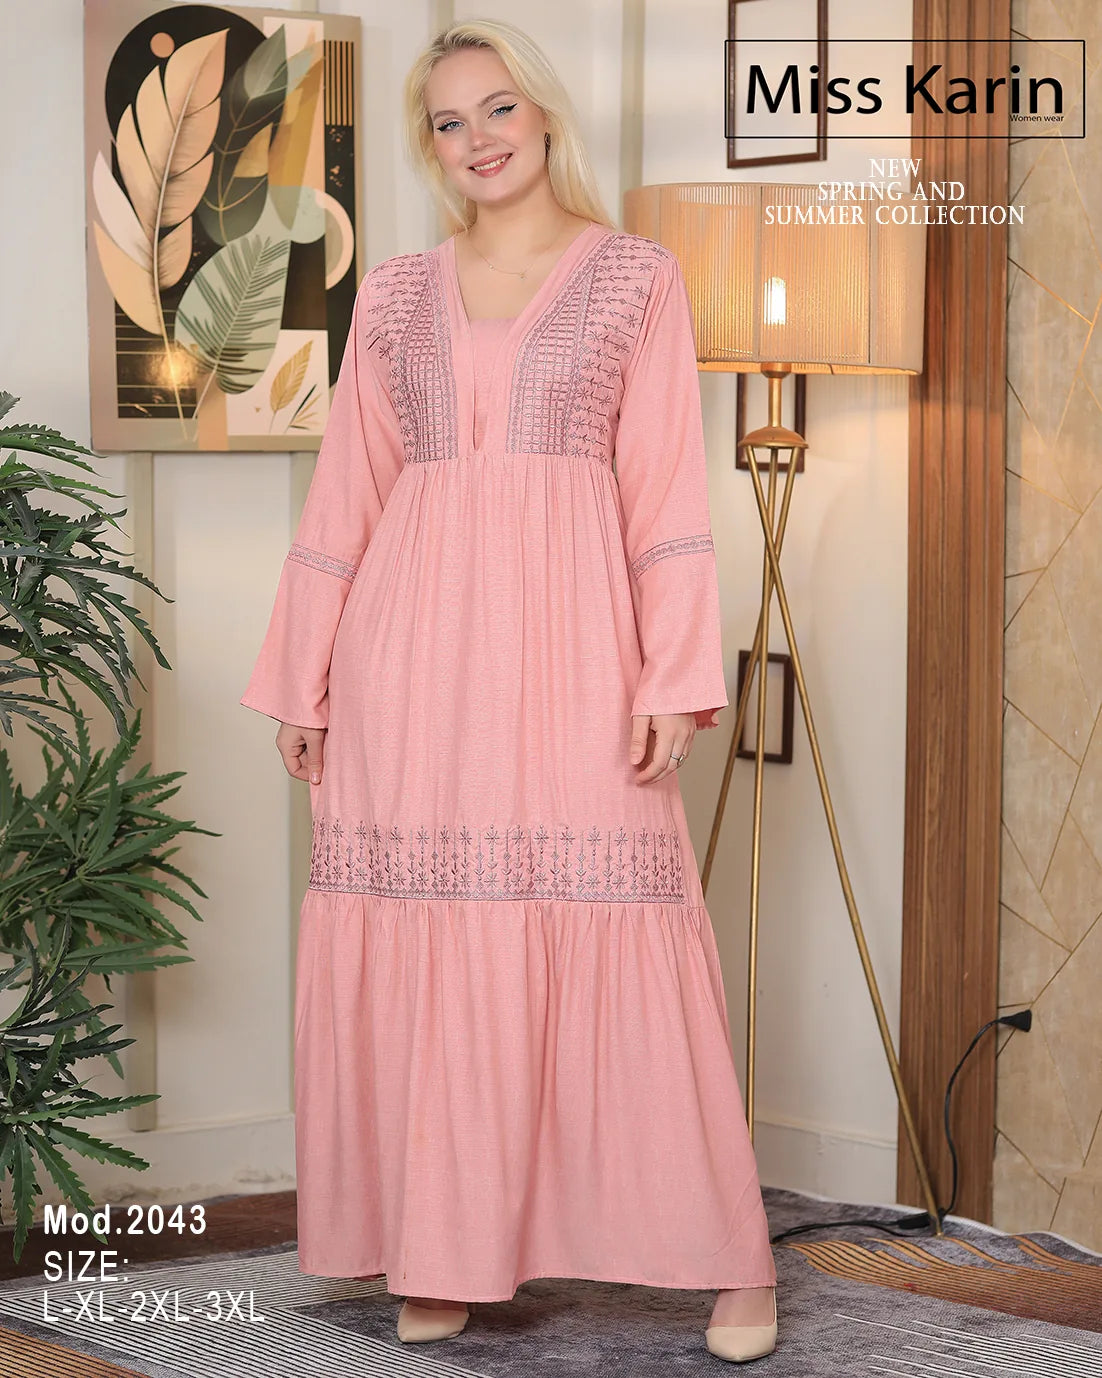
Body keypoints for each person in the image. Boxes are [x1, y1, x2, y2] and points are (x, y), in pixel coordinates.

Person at [240, 16, 778, 1364]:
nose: (476, 140)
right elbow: (350, 488)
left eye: (497, 112)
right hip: (404, 663)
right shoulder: (396, 292)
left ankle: (729, 1260)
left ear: (540, 119)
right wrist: (306, 678)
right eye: (446, 122)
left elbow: (662, 486)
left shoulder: (634, 280)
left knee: (624, 932)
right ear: (427, 146)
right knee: (433, 945)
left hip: (572, 658)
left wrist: (671, 673)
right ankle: (442, 1241)